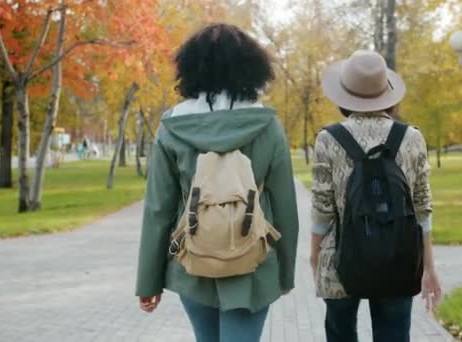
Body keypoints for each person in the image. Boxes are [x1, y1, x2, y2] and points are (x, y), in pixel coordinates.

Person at [135, 23, 299, 342]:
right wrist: (285, 272)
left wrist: (148, 281)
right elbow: (285, 207)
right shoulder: (268, 125)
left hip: (192, 264)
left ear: (191, 69)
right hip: (254, 265)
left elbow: (158, 209)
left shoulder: (172, 126)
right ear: (252, 69)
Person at [310, 50, 442, 342]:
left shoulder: (328, 139)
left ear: (344, 95)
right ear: (388, 93)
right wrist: (429, 267)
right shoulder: (412, 138)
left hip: (339, 259)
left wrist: (314, 256)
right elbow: (422, 208)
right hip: (399, 258)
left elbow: (322, 208)